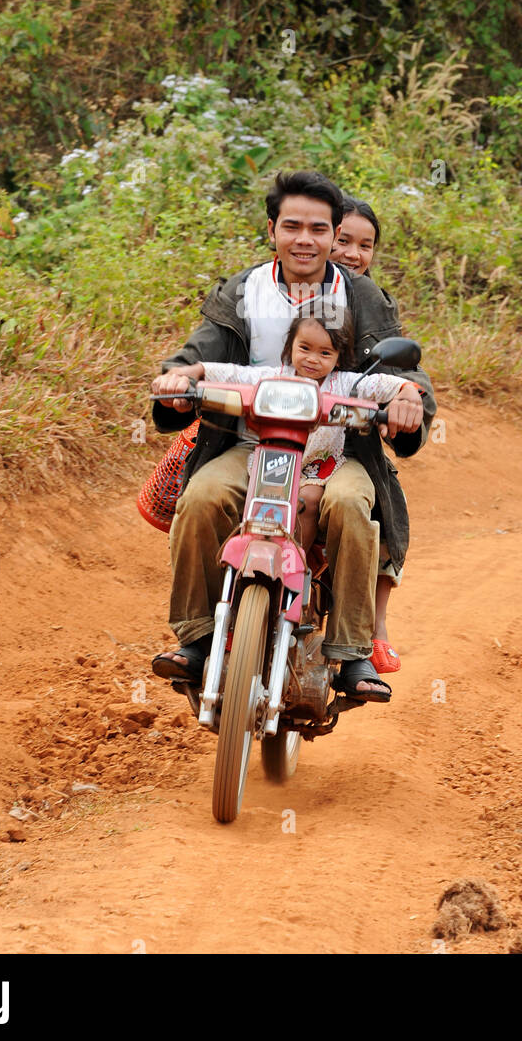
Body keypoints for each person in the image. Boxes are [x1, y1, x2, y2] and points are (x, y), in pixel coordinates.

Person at [150, 169, 436, 702]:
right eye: (292, 226)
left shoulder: (362, 295)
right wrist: (178, 378)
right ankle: (198, 638)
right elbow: (199, 357)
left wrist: (407, 399)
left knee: (354, 507)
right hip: (247, 444)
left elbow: (403, 370)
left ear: (333, 234)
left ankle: (351, 653)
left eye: (319, 229)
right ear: (272, 229)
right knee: (201, 498)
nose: (305, 239)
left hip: (337, 451)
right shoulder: (243, 289)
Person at [186, 302, 421, 558]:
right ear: (290, 346)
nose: (312, 359)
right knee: (247, 498)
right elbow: (234, 375)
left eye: (325, 353)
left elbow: (387, 384)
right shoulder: (273, 376)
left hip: (316, 467)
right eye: (305, 348)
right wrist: (197, 370)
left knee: (307, 501)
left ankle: (294, 562)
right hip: (270, 462)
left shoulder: (348, 384)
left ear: (339, 357)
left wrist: (407, 393)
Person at [330, 195, 405, 673]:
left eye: (366, 245)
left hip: (349, 442)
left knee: (379, 506)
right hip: (272, 435)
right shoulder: (271, 290)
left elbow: (400, 371)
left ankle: (369, 633)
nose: (354, 254)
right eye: (343, 240)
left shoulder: (373, 304)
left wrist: (403, 398)